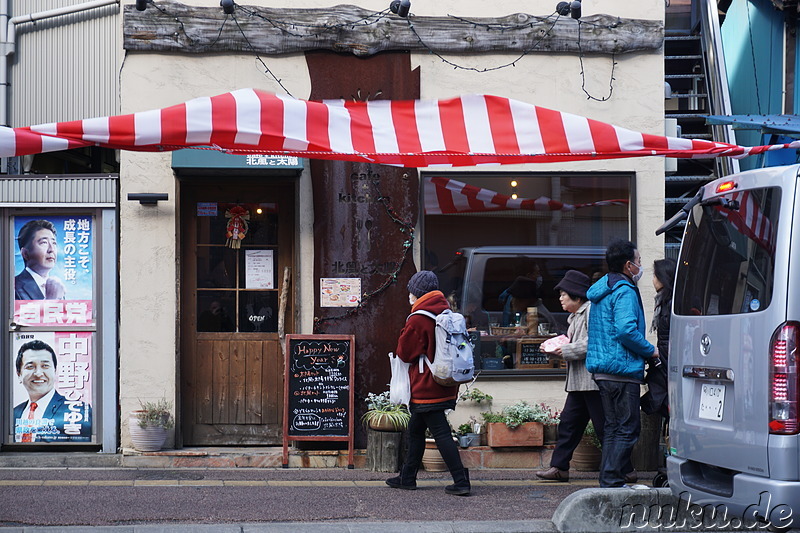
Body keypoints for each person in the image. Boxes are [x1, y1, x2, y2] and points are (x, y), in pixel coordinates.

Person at [386, 270, 471, 496]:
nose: (409, 297)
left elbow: (404, 352)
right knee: (415, 429)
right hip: (444, 381)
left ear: (417, 293)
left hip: (426, 384)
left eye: (411, 292)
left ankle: (461, 480)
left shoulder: (418, 318)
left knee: (440, 432)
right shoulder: (445, 311)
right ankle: (407, 477)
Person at [585, 239, 658, 488]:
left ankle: (610, 480)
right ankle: (612, 480)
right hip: (622, 369)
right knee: (627, 428)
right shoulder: (624, 290)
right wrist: (651, 351)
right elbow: (626, 331)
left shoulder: (602, 290)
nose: (640, 266)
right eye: (638, 262)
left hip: (604, 370)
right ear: (628, 265)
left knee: (614, 428)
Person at [536, 270, 604, 482]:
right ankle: (559, 467)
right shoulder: (575, 316)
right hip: (578, 382)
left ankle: (623, 469)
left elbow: (592, 342)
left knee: (604, 427)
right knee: (568, 424)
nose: (560, 298)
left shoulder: (591, 311)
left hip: (592, 381)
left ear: (576, 295)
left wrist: (564, 351)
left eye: (563, 294)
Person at [13, 340, 92, 443]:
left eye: (45, 366)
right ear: (19, 374)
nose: (38, 373)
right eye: (30, 366)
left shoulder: (76, 411)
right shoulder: (13, 413)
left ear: (55, 371)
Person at [640, 258, 676, 419]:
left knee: (663, 400)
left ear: (664, 277)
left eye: (655, 275)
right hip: (666, 357)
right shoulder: (665, 300)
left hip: (668, 359)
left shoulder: (670, 303)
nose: (653, 280)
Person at [14, 219, 65, 300]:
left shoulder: (56, 286)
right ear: (25, 253)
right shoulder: (13, 286)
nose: (51, 249)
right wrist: (51, 301)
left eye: (54, 243)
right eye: (44, 243)